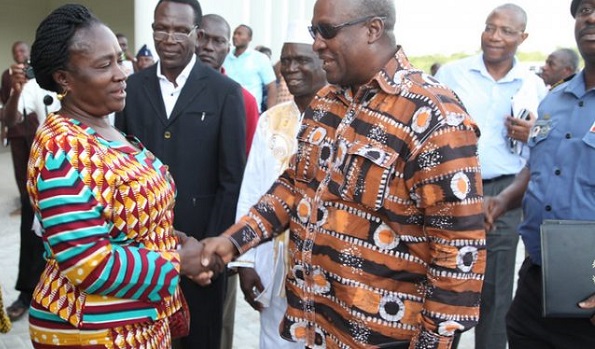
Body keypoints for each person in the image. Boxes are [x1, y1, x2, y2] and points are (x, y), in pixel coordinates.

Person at [199, 0, 486, 347]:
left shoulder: (433, 115)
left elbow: (458, 253)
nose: (318, 43)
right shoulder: (325, 104)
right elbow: (293, 187)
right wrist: (234, 242)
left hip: (388, 337)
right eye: (314, 31)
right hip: (319, 328)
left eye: (327, 31)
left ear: (373, 29)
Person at [25, 4, 210, 348]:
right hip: (93, 329)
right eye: (103, 65)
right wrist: (175, 263)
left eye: (118, 58)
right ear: (64, 78)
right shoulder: (61, 149)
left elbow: (120, 218)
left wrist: (168, 237)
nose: (122, 72)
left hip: (136, 320)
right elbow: (87, 262)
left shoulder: (102, 127)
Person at [115, 1, 247, 348]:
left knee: (199, 338)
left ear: (196, 33)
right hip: (145, 256)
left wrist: (212, 252)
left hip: (201, 252)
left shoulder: (225, 93)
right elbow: (121, 168)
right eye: (161, 28)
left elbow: (231, 180)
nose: (168, 38)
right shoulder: (131, 88)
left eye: (179, 30)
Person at [435, 4, 547, 349]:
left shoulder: (535, 85)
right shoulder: (452, 75)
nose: (495, 37)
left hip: (507, 194)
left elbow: (545, 140)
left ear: (522, 37)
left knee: (496, 292)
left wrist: (532, 132)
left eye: (506, 31)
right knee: (445, 285)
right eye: (490, 27)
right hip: (453, 191)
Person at [484, 0, 595, 347]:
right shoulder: (553, 101)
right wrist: (502, 200)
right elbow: (538, 168)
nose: (590, 16)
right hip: (537, 283)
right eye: (584, 9)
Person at [231, 20, 327, 349]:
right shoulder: (272, 118)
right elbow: (253, 191)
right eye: (286, 61)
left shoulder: (347, 117)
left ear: (323, 62)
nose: (291, 69)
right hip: (274, 267)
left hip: (327, 273)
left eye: (302, 60)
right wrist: (244, 261)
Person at [195, 13, 259, 349]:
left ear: (228, 47)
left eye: (218, 41)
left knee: (214, 324)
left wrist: (233, 244)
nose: (208, 47)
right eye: (202, 37)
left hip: (219, 233)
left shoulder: (241, 99)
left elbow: (242, 176)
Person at [0, 40, 59, 323]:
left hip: (88, 177)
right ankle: (27, 293)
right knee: (31, 230)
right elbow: (10, 119)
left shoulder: (88, 80)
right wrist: (17, 91)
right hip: (43, 173)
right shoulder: (33, 86)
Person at [223, 24, 277, 112]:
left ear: (249, 38)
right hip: (226, 110)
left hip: (250, 111)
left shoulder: (260, 58)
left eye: (240, 34)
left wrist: (269, 114)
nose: (235, 36)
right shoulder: (225, 57)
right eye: (234, 33)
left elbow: (272, 87)